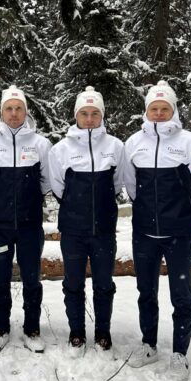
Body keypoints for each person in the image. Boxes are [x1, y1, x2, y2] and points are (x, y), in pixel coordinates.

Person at [123, 80, 191, 381]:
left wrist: (186, 218)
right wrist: (148, 215)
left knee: (181, 295)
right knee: (145, 292)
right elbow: (131, 186)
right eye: (153, 109)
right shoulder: (134, 143)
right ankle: (149, 345)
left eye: (164, 109)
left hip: (178, 235)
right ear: (146, 111)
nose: (159, 113)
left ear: (173, 110)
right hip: (144, 234)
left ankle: (179, 353)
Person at [48, 86, 125, 356]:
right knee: (73, 283)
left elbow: (117, 183)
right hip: (73, 229)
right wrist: (76, 204)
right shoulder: (61, 149)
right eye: (84, 113)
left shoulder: (115, 146)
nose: (89, 119)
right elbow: (58, 186)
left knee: (104, 283)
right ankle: (77, 332)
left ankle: (103, 332)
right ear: (76, 115)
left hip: (104, 229)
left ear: (102, 115)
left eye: (95, 113)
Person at [0, 86, 52, 354]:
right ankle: (1, 328)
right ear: (1, 112)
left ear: (25, 111)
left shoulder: (41, 145)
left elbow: (47, 181)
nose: (14, 113)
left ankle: (32, 329)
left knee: (32, 278)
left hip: (31, 225)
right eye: (9, 108)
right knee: (0, 279)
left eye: (19, 108)